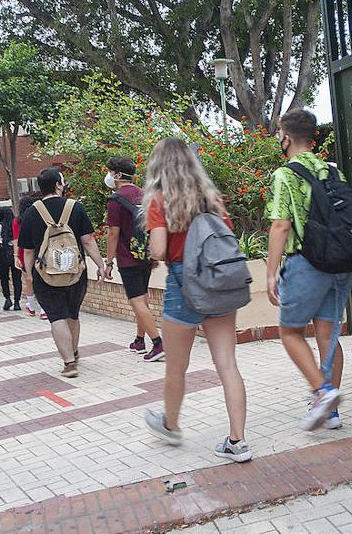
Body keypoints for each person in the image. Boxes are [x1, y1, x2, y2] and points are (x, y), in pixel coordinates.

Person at [141, 138, 251, 463]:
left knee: (176, 368)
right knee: (227, 364)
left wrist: (151, 246)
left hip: (182, 285)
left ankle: (171, 425)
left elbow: (159, 250)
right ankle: (237, 441)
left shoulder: (160, 202)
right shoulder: (213, 200)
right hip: (217, 285)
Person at [265, 109, 352, 431]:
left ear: (286, 136)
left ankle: (323, 393)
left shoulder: (286, 174)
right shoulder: (332, 170)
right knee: (328, 336)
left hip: (306, 263)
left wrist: (271, 272)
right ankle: (330, 412)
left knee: (290, 332)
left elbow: (280, 224)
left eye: (279, 133)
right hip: (340, 262)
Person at [18, 168, 106, 377]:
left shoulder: (31, 212)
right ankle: (74, 352)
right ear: (58, 184)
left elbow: (28, 250)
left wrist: (29, 274)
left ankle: (68, 363)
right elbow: (88, 240)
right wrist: (100, 264)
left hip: (45, 275)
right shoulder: (75, 207)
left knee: (57, 317)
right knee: (72, 315)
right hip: (76, 273)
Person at [102, 156, 163, 361]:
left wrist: (108, 263)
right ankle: (139, 339)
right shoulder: (145, 194)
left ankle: (158, 343)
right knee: (142, 298)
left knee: (136, 300)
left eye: (111, 171)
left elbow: (113, 234)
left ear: (118, 174)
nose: (109, 175)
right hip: (145, 255)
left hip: (127, 257)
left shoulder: (115, 200)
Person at [14, 197, 44, 318]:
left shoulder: (17, 221)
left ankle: (31, 307)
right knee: (41, 279)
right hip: (37, 250)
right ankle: (43, 309)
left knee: (28, 280)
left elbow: (16, 240)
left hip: (23, 252)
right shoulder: (37, 217)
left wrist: (16, 256)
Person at [0, 206, 21, 311]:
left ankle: (8, 299)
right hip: (15, 252)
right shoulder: (15, 223)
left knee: (4, 277)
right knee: (17, 278)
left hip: (4, 253)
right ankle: (17, 302)